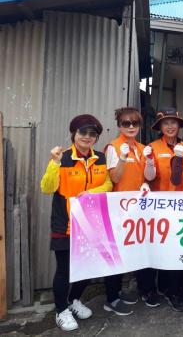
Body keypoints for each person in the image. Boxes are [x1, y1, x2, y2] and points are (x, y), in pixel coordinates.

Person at [40, 114, 112, 331]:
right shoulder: (61, 158)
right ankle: (61, 310)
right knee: (64, 269)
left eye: (92, 134)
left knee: (88, 267)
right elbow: (47, 188)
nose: (87, 137)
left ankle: (74, 300)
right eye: (83, 132)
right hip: (65, 223)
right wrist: (54, 162)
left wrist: (92, 192)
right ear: (74, 133)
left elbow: (108, 184)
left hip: (91, 224)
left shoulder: (100, 158)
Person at [104, 107, 158, 314]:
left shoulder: (142, 148)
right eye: (126, 123)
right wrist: (123, 158)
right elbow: (115, 178)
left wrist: (148, 169)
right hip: (118, 210)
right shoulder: (114, 147)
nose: (131, 126)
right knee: (117, 253)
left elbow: (148, 177)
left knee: (139, 249)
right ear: (119, 126)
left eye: (135, 123)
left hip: (139, 209)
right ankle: (112, 297)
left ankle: (142, 290)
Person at [145, 107, 183, 311]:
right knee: (163, 249)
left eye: (174, 123)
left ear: (179, 125)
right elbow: (149, 176)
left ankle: (175, 288)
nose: (170, 126)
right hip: (160, 209)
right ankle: (165, 288)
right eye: (166, 123)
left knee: (179, 248)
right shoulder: (152, 147)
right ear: (160, 127)